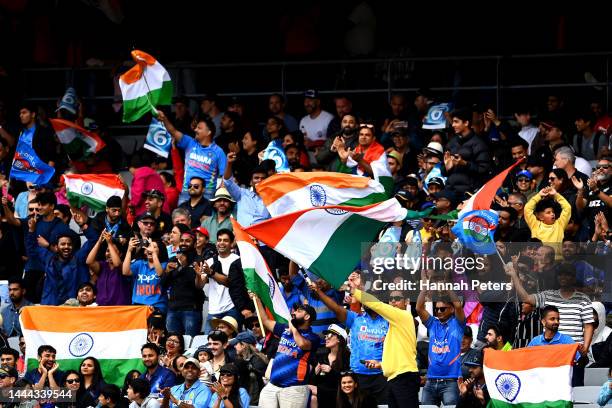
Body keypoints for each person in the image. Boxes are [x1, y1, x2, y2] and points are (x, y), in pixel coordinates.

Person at [508, 264, 593, 386]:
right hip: (551, 357)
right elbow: (526, 298)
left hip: (574, 355)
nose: (563, 277)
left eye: (567, 274)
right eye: (561, 274)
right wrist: (514, 276)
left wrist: (585, 348)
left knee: (574, 392)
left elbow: (588, 325)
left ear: (574, 278)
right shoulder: (548, 295)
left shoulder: (584, 299)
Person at [347, 273, 419, 408]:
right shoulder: (394, 325)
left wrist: (354, 290)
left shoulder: (403, 316)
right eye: (390, 299)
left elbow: (377, 306)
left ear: (407, 302)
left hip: (404, 378)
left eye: (397, 298)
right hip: (394, 378)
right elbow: (399, 355)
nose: (393, 301)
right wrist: (380, 364)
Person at [253, 293, 320, 408]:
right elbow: (265, 320)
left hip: (294, 388)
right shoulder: (284, 329)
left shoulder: (313, 337)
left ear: (307, 317)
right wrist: (258, 300)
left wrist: (292, 327)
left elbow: (302, 344)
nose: (293, 313)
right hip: (272, 385)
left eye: (298, 311)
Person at [157, 110, 226, 201]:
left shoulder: (218, 152)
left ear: (209, 132)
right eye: (196, 128)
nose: (195, 130)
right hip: (187, 191)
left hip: (206, 194)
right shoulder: (190, 143)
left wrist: (219, 197)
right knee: (179, 215)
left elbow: (225, 177)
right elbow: (173, 131)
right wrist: (164, 118)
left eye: (199, 128)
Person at [25, 217, 92, 306]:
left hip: (71, 307)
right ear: (56, 247)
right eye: (63, 244)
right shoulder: (48, 258)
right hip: (50, 306)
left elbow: (93, 242)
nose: (66, 247)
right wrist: (31, 230)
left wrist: (83, 226)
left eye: (69, 244)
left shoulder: (78, 259)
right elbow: (32, 248)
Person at [416, 288, 465, 406]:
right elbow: (418, 308)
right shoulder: (433, 324)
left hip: (451, 382)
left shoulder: (457, 324)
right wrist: (425, 288)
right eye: (436, 309)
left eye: (442, 308)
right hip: (430, 381)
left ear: (451, 309)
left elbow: (458, 306)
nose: (438, 311)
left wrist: (447, 288)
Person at [202, 229, 241, 332]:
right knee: (208, 343)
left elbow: (230, 283)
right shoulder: (210, 261)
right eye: (219, 240)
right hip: (213, 310)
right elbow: (199, 285)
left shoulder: (237, 260)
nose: (221, 243)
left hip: (231, 309)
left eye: (225, 240)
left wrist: (211, 273)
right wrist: (198, 275)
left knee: (231, 342)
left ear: (232, 243)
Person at [223, 151, 270, 228]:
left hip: (263, 238)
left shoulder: (272, 200)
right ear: (251, 182)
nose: (259, 180)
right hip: (243, 238)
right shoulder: (241, 194)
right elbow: (228, 182)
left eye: (263, 178)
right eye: (256, 178)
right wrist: (229, 163)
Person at [123, 235, 168, 313]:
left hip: (157, 307)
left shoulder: (164, 265)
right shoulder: (139, 264)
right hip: (138, 306)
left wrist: (153, 254)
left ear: (160, 250)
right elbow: (125, 272)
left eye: (154, 247)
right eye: (149, 246)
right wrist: (129, 250)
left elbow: (160, 273)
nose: (150, 249)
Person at [86, 229, 132, 306]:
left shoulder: (124, 266)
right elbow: (89, 262)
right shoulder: (102, 266)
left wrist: (109, 243)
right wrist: (99, 241)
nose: (109, 253)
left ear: (120, 254)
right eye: (107, 251)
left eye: (113, 251)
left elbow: (117, 264)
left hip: (120, 309)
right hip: (102, 309)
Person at [310, 324, 351, 408]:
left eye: (329, 335)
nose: (326, 338)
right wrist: (315, 373)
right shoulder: (321, 357)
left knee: (307, 388)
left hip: (338, 392)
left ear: (339, 339)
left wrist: (331, 371)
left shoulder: (347, 358)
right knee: (312, 397)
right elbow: (314, 381)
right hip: (322, 393)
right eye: (325, 336)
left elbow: (348, 382)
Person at [231, 332, 268, 406]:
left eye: (236, 344)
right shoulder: (241, 359)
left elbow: (255, 384)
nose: (235, 346)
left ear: (243, 345)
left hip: (253, 402)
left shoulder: (257, 360)